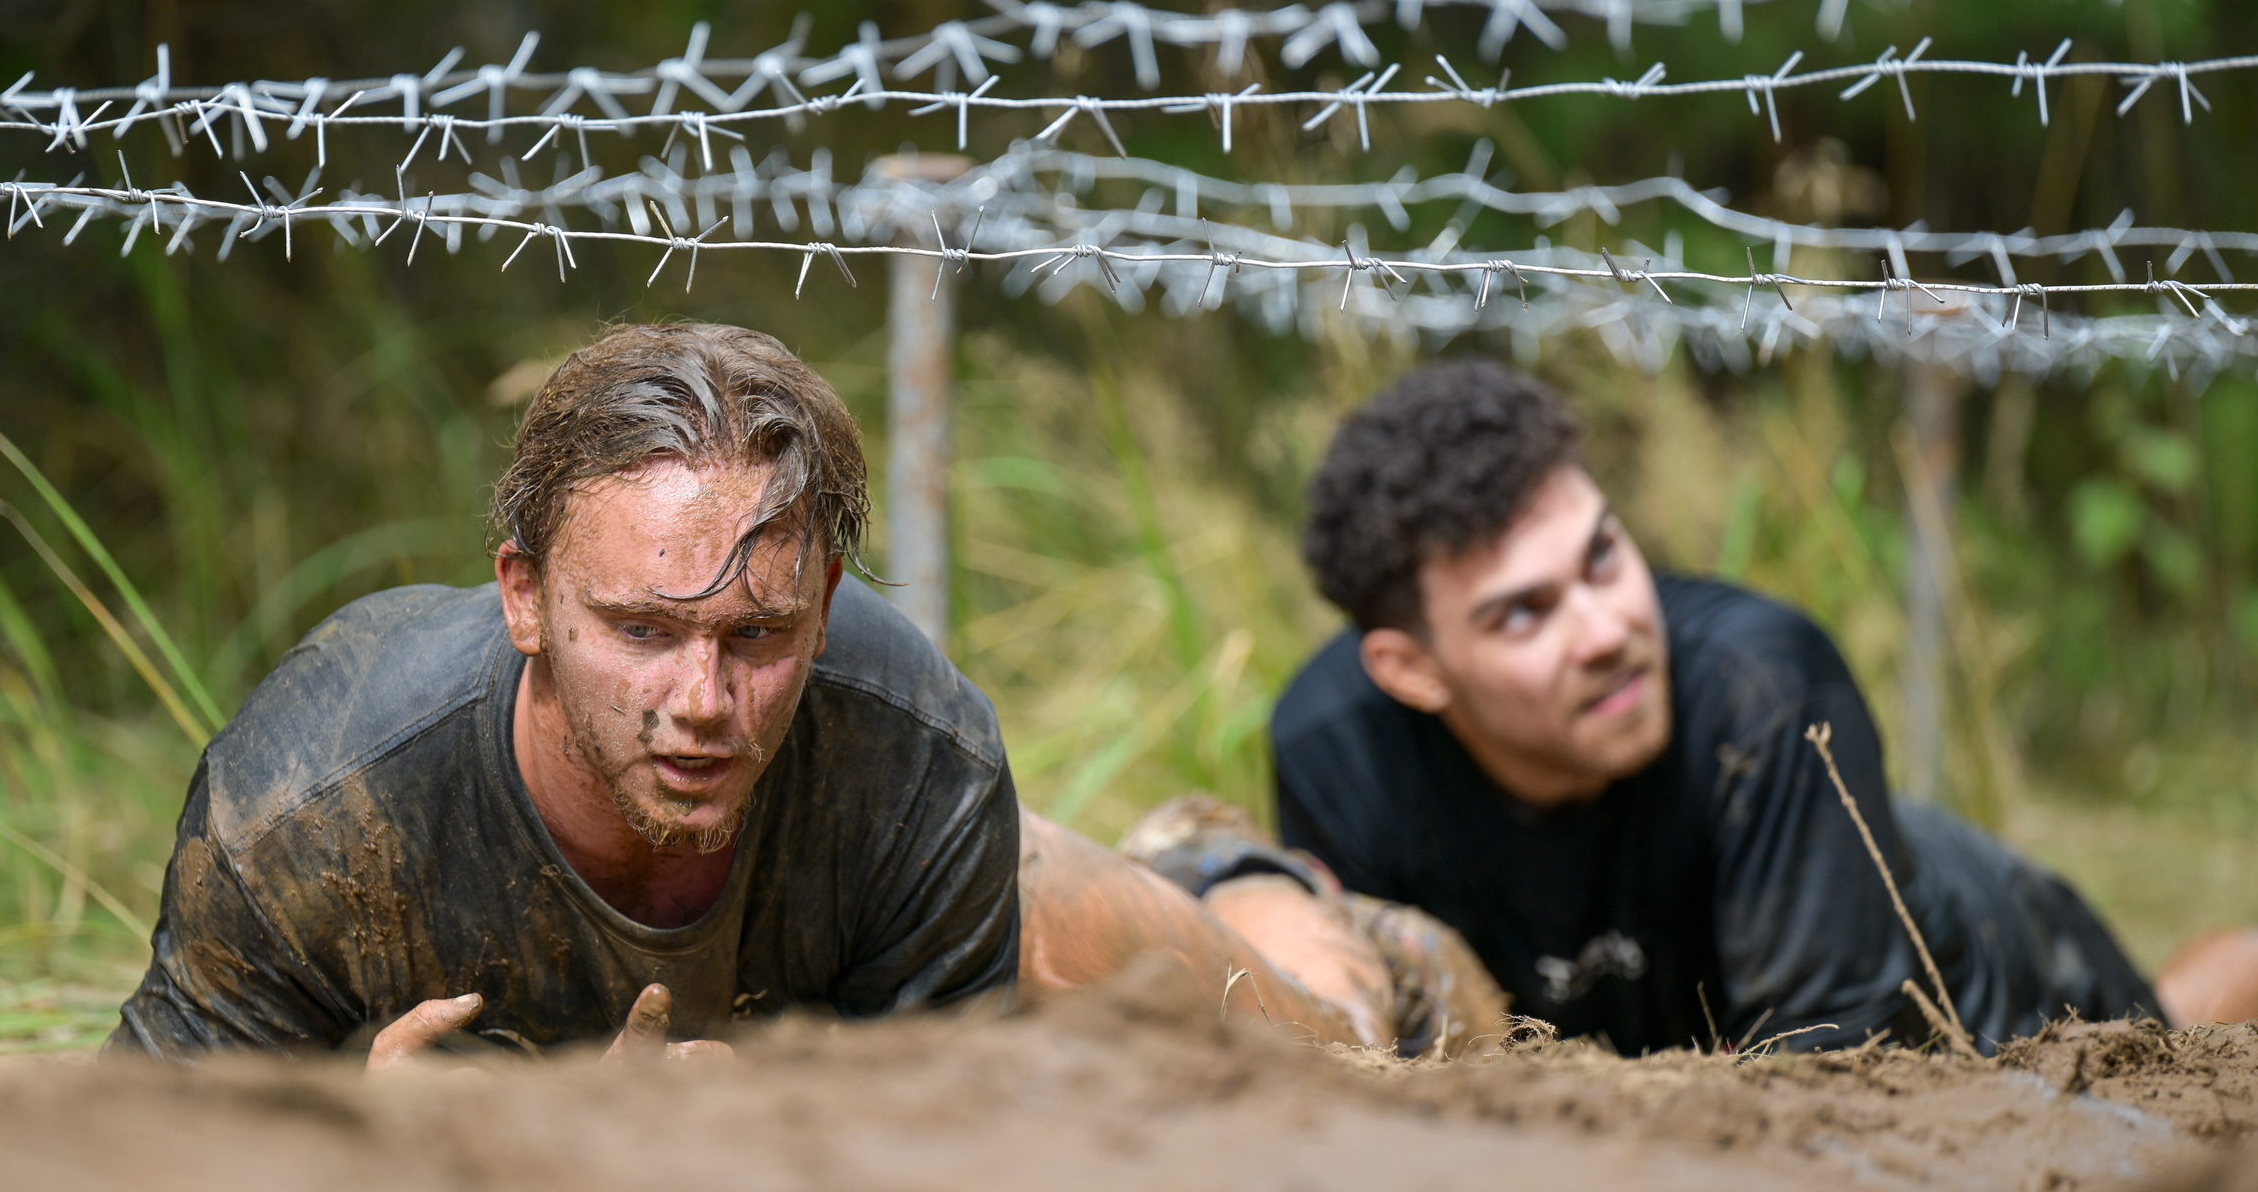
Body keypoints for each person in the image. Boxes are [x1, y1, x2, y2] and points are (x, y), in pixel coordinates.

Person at [109, 320, 1405, 1068]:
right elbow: (133, 1159)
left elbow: (963, 1182)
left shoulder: (915, 757)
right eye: (640, 628)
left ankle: (1248, 880)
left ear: (826, 606)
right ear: (522, 594)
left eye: (757, 634)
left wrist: (754, 1151)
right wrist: (360, 1146)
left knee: (1331, 1050)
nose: (703, 700)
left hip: (993, 906)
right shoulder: (315, 803)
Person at [1258, 358, 2258, 1054]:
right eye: (1523, 614)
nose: (1605, 630)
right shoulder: (1334, 752)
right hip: (1664, 1022)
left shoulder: (1764, 691)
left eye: (1604, 557)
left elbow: (1832, 1090)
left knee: (2165, 1044)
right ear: (1410, 671)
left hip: (1967, 960)